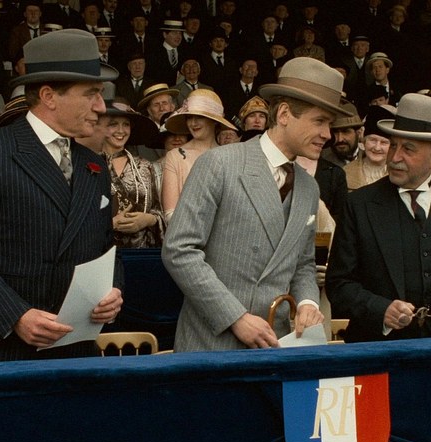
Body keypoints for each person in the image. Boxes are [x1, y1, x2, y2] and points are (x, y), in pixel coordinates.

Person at [0, 29, 124, 362]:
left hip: (76, 356)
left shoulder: (93, 164)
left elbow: (107, 247)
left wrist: (114, 290)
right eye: (91, 93)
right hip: (2, 356)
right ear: (49, 96)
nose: (100, 106)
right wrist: (15, 316)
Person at [162, 57, 349, 351]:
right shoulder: (219, 164)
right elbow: (179, 250)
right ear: (284, 114)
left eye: (330, 124)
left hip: (273, 348)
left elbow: (302, 263)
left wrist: (308, 303)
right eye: (320, 121)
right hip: (211, 347)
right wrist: (235, 317)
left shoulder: (309, 187)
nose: (328, 134)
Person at [326, 93, 431, 342]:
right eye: (393, 145)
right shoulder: (359, 205)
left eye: (408, 149)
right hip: (377, 349)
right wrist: (381, 309)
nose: (394, 157)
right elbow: (339, 284)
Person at [160, 89, 236, 223]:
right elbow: (170, 214)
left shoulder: (229, 157)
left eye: (199, 117)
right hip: (185, 233)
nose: (193, 123)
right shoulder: (175, 156)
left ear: (214, 120)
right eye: (189, 117)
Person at [96, 97, 164, 248]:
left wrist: (147, 220)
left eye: (126, 124)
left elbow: (158, 211)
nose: (121, 131)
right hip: (101, 250)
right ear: (101, 127)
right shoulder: (90, 164)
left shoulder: (144, 166)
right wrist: (110, 224)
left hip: (140, 252)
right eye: (113, 124)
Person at [344, 105, 393, 190]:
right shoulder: (345, 173)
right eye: (373, 140)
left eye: (384, 142)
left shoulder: (399, 175)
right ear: (364, 141)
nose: (377, 148)